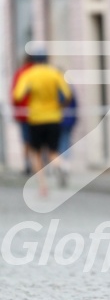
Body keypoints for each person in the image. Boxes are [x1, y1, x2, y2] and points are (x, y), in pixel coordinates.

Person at [12, 50, 71, 196]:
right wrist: (60, 106)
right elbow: (67, 94)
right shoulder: (54, 73)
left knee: (36, 153)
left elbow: (17, 95)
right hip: (54, 117)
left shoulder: (28, 74)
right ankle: (61, 165)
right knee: (53, 151)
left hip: (36, 118)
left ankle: (43, 186)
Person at [10, 54, 34, 175]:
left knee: (26, 141)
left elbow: (15, 96)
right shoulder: (38, 72)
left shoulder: (20, 73)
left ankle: (27, 165)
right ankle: (40, 165)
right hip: (39, 114)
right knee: (38, 140)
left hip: (23, 114)